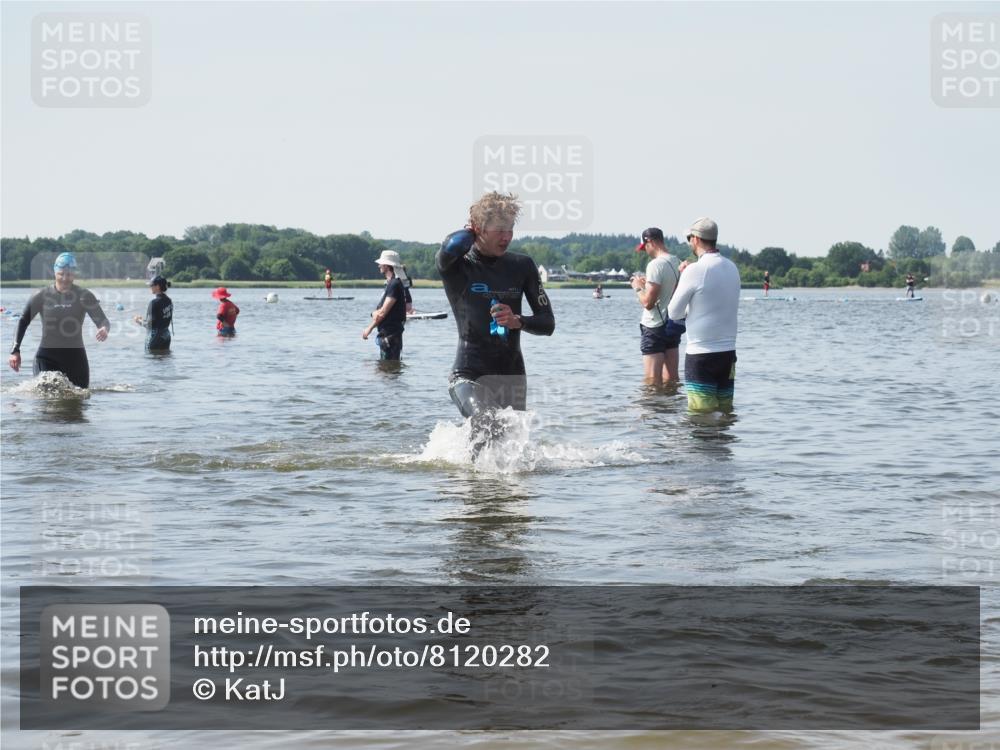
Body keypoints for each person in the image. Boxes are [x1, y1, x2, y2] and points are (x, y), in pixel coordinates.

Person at [436, 191, 555, 453]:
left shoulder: (522, 265)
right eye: (499, 230)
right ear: (478, 229)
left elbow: (547, 323)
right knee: (485, 422)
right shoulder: (457, 266)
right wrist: (471, 230)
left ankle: (475, 474)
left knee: (509, 450)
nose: (507, 237)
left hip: (511, 375)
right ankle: (471, 479)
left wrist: (518, 321)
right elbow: (449, 246)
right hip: (468, 373)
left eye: (510, 229)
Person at [668, 218, 741, 413]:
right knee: (725, 414)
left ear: (696, 239)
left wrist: (683, 276)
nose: (689, 242)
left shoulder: (694, 270)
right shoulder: (732, 267)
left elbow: (673, 312)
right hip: (728, 354)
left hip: (701, 355)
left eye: (689, 238)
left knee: (701, 416)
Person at [8, 251, 110, 388]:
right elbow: (23, 321)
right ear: (55, 272)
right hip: (46, 358)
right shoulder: (41, 295)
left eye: (69, 274)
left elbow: (103, 320)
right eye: (61, 274)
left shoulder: (84, 296)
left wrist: (104, 328)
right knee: (46, 394)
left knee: (81, 396)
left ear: (74, 274)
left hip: (75, 360)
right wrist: (15, 351)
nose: (65, 278)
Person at [630, 227, 684, 386]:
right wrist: (647, 284)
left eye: (645, 247)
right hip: (672, 324)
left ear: (650, 242)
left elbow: (648, 303)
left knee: (652, 383)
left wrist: (637, 287)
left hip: (654, 327)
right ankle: (671, 402)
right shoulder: (677, 262)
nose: (646, 251)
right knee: (672, 380)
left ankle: (653, 404)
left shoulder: (655, 265)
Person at [362, 250, 408, 360]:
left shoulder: (394, 284)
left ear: (387, 266)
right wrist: (374, 313)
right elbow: (382, 311)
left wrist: (369, 329)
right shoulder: (392, 284)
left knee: (387, 367)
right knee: (389, 367)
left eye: (381, 264)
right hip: (389, 334)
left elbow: (382, 312)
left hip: (391, 335)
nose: (379, 266)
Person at [133, 275, 173, 352]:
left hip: (155, 337)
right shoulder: (169, 300)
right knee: (165, 357)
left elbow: (149, 325)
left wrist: (138, 321)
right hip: (166, 335)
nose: (150, 287)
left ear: (157, 286)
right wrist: (144, 320)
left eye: (151, 285)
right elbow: (160, 320)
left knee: (150, 357)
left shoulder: (154, 303)